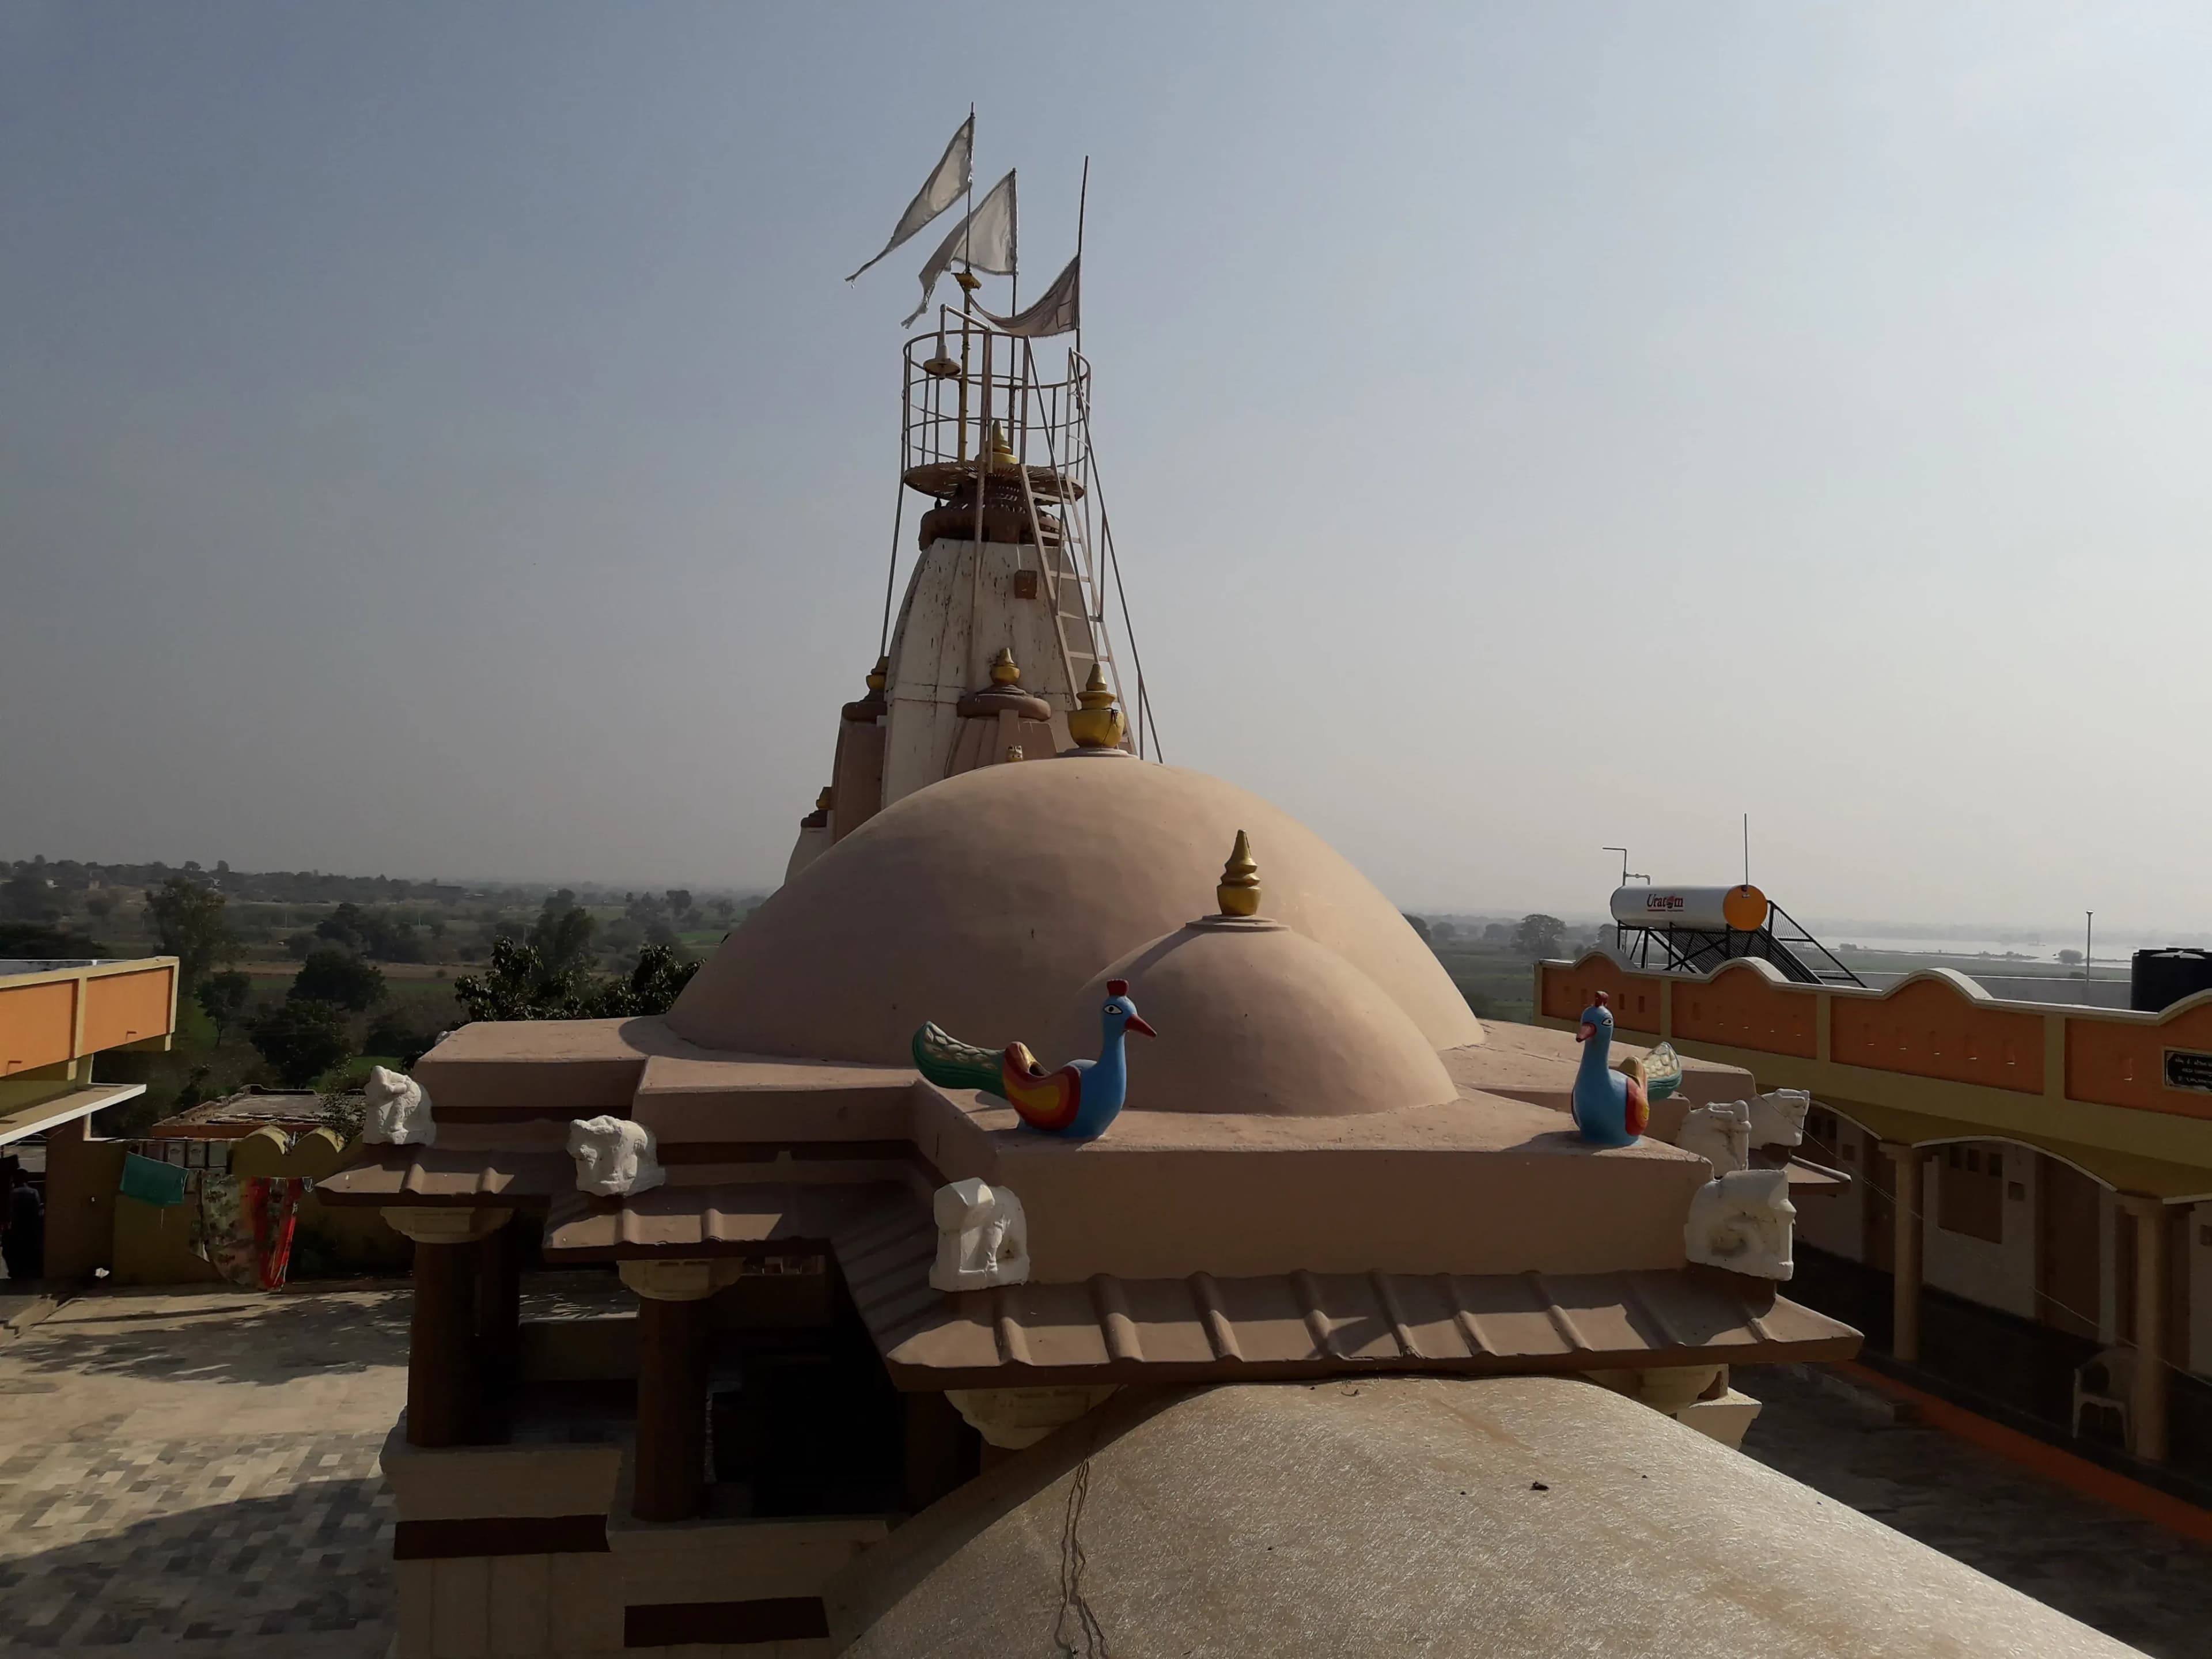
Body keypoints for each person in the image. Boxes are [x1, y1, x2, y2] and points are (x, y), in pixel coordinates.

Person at [2, 1162, 43, 1283]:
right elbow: (37, 1210)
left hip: (16, 1228)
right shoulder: (33, 1192)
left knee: (10, 1250)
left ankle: (16, 1271)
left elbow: (8, 1212)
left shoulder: (12, 1194)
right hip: (32, 1227)